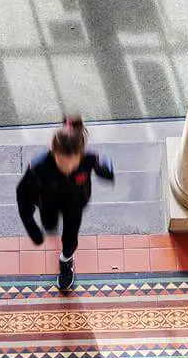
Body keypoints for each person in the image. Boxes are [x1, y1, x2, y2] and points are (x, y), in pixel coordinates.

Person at [16, 115, 115, 291]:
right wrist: (31, 227)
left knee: (70, 238)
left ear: (80, 154)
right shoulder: (39, 166)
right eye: (61, 163)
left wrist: (106, 170)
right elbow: (22, 195)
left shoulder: (89, 159)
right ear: (53, 151)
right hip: (48, 204)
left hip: (75, 206)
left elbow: (103, 167)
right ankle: (51, 230)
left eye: (72, 164)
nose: (67, 168)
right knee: (49, 225)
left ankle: (66, 261)